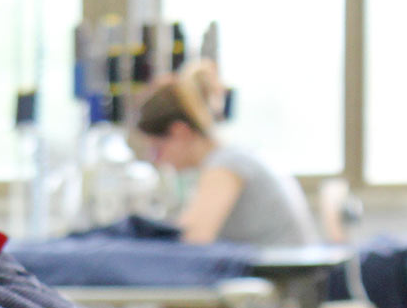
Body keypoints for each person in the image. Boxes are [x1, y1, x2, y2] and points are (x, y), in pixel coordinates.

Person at [134, 62, 320, 247]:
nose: (155, 159)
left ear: (180, 132)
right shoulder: (234, 156)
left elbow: (191, 241)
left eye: (157, 149)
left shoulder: (227, 165)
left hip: (282, 266)